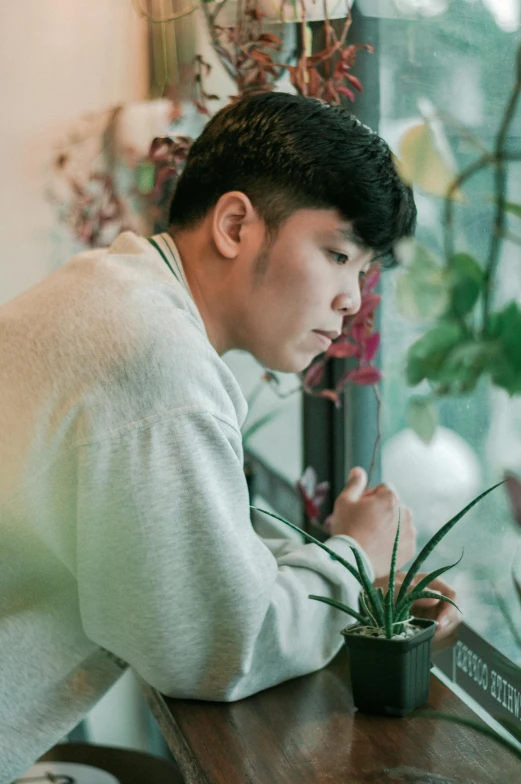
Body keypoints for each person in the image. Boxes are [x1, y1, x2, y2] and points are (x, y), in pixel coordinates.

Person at [0, 92, 459, 782]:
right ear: (236, 224)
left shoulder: (115, 291)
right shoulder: (153, 361)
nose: (352, 300)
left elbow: (185, 558)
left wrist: (355, 582)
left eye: (363, 273)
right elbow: (218, 646)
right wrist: (356, 555)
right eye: (336, 254)